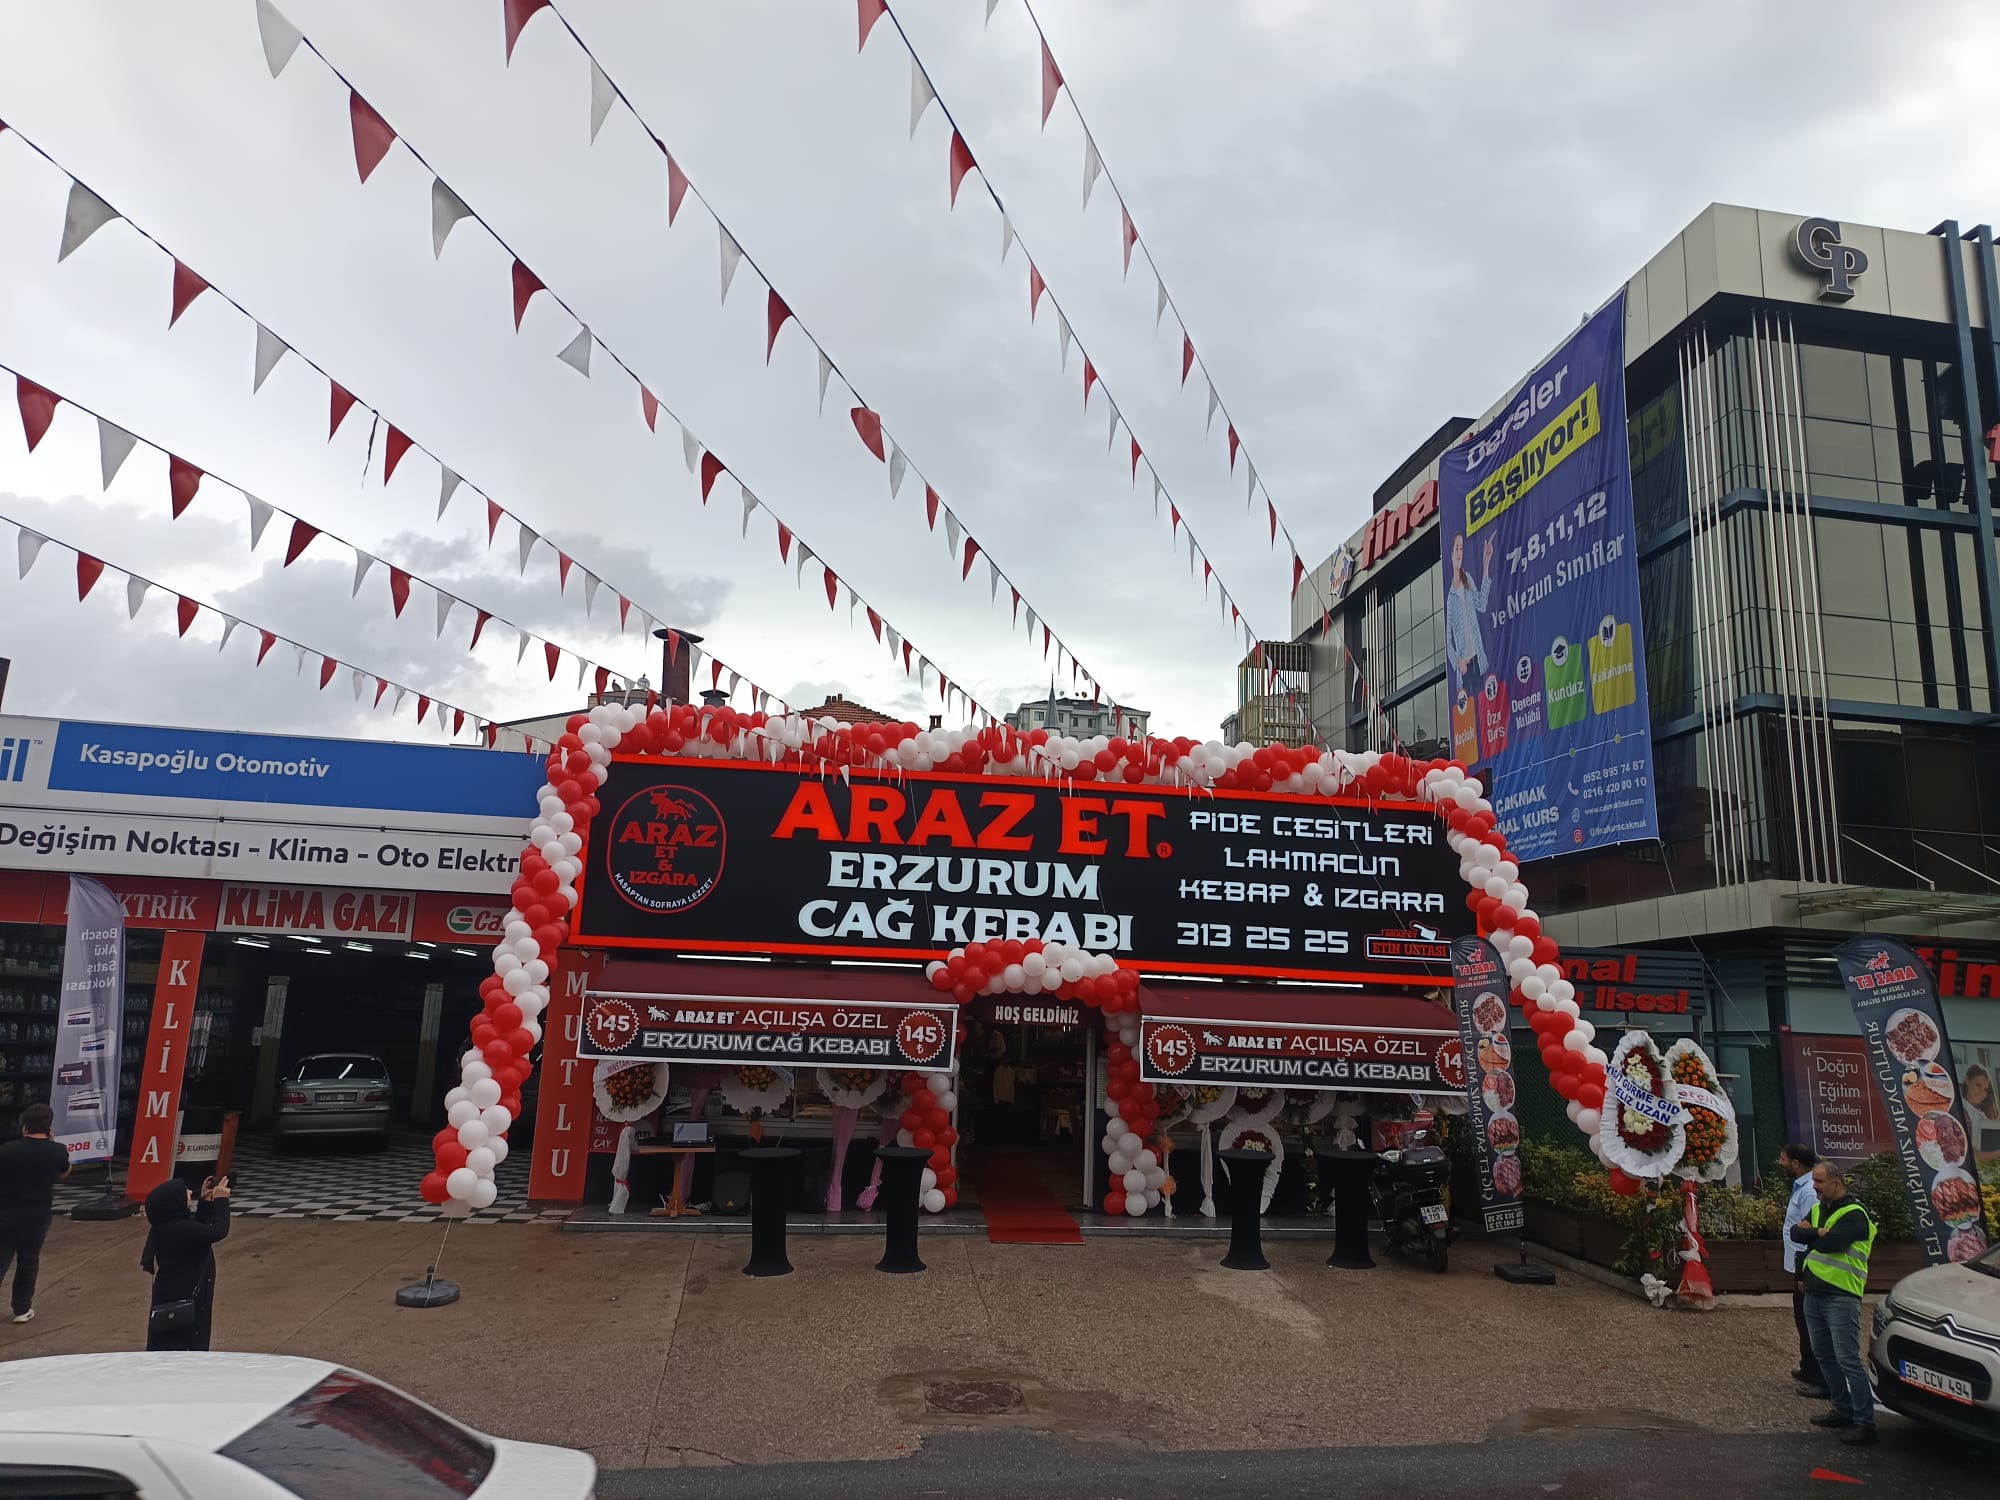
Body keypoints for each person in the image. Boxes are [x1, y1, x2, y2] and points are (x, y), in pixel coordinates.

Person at [1790, 1161, 1878, 1445]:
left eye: (1819, 1181)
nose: (1814, 1186)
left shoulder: (1854, 1214)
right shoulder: (1819, 1210)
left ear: (1836, 1183)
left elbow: (1833, 1245)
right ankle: (1842, 1409)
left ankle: (1864, 1423)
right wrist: (1818, 1233)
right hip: (1814, 1292)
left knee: (1848, 1360)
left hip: (1841, 1295)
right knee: (1824, 1355)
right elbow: (1795, 1233)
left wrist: (1813, 1234)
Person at [140, 1173, 231, 1352]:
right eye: (185, 1192)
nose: (190, 1192)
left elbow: (198, 1230)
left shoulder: (169, 1224)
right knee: (184, 1345)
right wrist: (221, 1200)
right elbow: (217, 1231)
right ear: (174, 1202)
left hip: (179, 1295)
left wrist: (205, 1202)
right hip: (184, 1300)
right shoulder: (178, 1228)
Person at [0, 1103, 71, 1324]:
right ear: (49, 1127)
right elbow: (64, 1172)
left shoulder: (6, 1150)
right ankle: (22, 1309)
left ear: (24, 1126)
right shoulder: (58, 1150)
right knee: (28, 1261)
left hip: (6, 1212)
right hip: (37, 1215)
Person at [1777, 1144, 1825, 1395]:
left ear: (1796, 1163)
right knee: (1801, 1316)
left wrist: (1805, 1268)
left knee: (1809, 1320)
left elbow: (1812, 1231)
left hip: (1806, 1263)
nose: (1780, 1162)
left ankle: (1818, 1376)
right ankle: (1808, 1366)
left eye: (1783, 1158)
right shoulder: (1802, 1187)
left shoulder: (1808, 1191)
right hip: (1799, 1262)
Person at [1444, 530, 1496, 692]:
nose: (1459, 552)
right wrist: (1458, 663)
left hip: (1479, 660)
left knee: (1485, 702)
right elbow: (1448, 640)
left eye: (1461, 548)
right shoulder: (1450, 598)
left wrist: (1486, 565)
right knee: (1470, 706)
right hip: (1465, 669)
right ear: (1451, 554)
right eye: (1456, 548)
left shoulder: (1468, 580)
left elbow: (1482, 604)